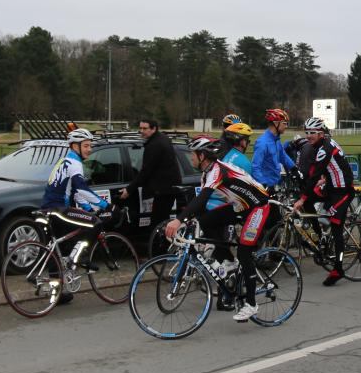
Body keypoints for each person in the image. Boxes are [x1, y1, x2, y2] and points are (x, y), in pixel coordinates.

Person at [165, 137, 272, 322]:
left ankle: (251, 304)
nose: (191, 158)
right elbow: (200, 205)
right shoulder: (207, 173)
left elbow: (202, 198)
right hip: (240, 207)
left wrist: (178, 220)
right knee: (205, 221)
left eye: (193, 154)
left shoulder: (217, 170)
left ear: (202, 156)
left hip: (258, 207)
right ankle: (229, 261)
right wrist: (187, 220)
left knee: (244, 252)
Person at [40, 127, 112, 304]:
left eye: (90, 145)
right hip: (59, 209)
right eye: (86, 146)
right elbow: (82, 188)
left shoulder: (65, 161)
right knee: (95, 223)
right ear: (75, 146)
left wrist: (87, 208)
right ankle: (82, 258)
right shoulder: (74, 163)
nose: (89, 149)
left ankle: (57, 293)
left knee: (57, 249)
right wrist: (106, 205)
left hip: (48, 208)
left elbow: (75, 192)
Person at [293, 117, 356, 287]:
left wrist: (301, 199)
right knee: (308, 201)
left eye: (312, 133)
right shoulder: (323, 144)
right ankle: (319, 238)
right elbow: (322, 170)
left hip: (343, 191)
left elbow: (314, 175)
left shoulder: (324, 149)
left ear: (321, 133)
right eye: (307, 132)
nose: (308, 136)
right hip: (331, 187)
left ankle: (338, 268)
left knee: (336, 228)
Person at [119, 117, 181, 247]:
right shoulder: (161, 139)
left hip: (164, 190)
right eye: (140, 128)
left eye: (145, 128)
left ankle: (159, 252)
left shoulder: (155, 145)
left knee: (158, 224)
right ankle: (160, 249)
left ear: (154, 129)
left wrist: (129, 189)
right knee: (161, 222)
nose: (141, 131)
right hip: (167, 188)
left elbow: (146, 171)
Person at [251, 108, 295, 192]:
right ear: (276, 123)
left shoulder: (276, 140)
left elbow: (283, 156)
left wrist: (294, 168)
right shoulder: (262, 143)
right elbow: (255, 167)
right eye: (284, 123)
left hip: (275, 184)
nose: (286, 126)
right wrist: (264, 185)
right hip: (266, 187)